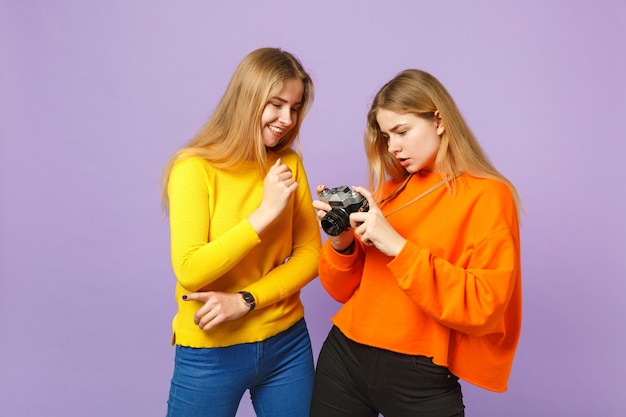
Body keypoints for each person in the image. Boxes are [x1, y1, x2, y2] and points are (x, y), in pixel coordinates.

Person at [310, 69, 522, 417]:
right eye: (386, 136)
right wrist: (341, 243)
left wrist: (397, 246)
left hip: (420, 372)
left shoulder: (488, 194)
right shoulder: (391, 191)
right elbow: (343, 290)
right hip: (344, 357)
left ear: (438, 120)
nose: (393, 146)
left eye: (402, 131)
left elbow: (486, 304)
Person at [161, 47, 321, 417]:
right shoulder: (193, 168)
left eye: (295, 108)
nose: (286, 119)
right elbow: (190, 270)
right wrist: (264, 214)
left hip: (288, 344)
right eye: (276, 104)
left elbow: (311, 255)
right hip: (212, 349)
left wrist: (245, 300)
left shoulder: (288, 163)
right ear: (247, 99)